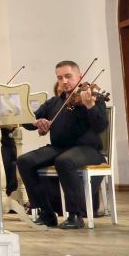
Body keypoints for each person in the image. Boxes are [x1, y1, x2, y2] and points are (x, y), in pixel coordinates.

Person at [17, 60, 108, 229]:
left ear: (79, 76)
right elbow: (28, 122)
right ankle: (47, 213)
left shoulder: (92, 98)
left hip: (88, 149)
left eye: (68, 76)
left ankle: (76, 215)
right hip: (59, 148)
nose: (64, 81)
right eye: (60, 78)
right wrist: (37, 122)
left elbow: (101, 125)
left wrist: (90, 106)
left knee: (64, 161)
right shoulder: (54, 102)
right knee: (24, 161)